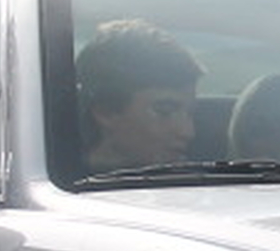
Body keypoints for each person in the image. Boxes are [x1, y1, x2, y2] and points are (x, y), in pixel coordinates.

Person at [77, 19, 202, 172]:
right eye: (164, 111)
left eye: (190, 114)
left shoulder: (197, 183)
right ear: (106, 112)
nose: (188, 132)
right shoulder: (57, 188)